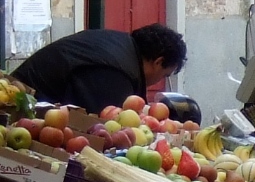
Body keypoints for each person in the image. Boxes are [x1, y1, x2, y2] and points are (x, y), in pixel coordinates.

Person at [11, 23, 188, 114]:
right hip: (19, 106)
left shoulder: (120, 44)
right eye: (165, 75)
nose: (160, 81)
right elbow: (97, 124)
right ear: (158, 62)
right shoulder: (116, 74)